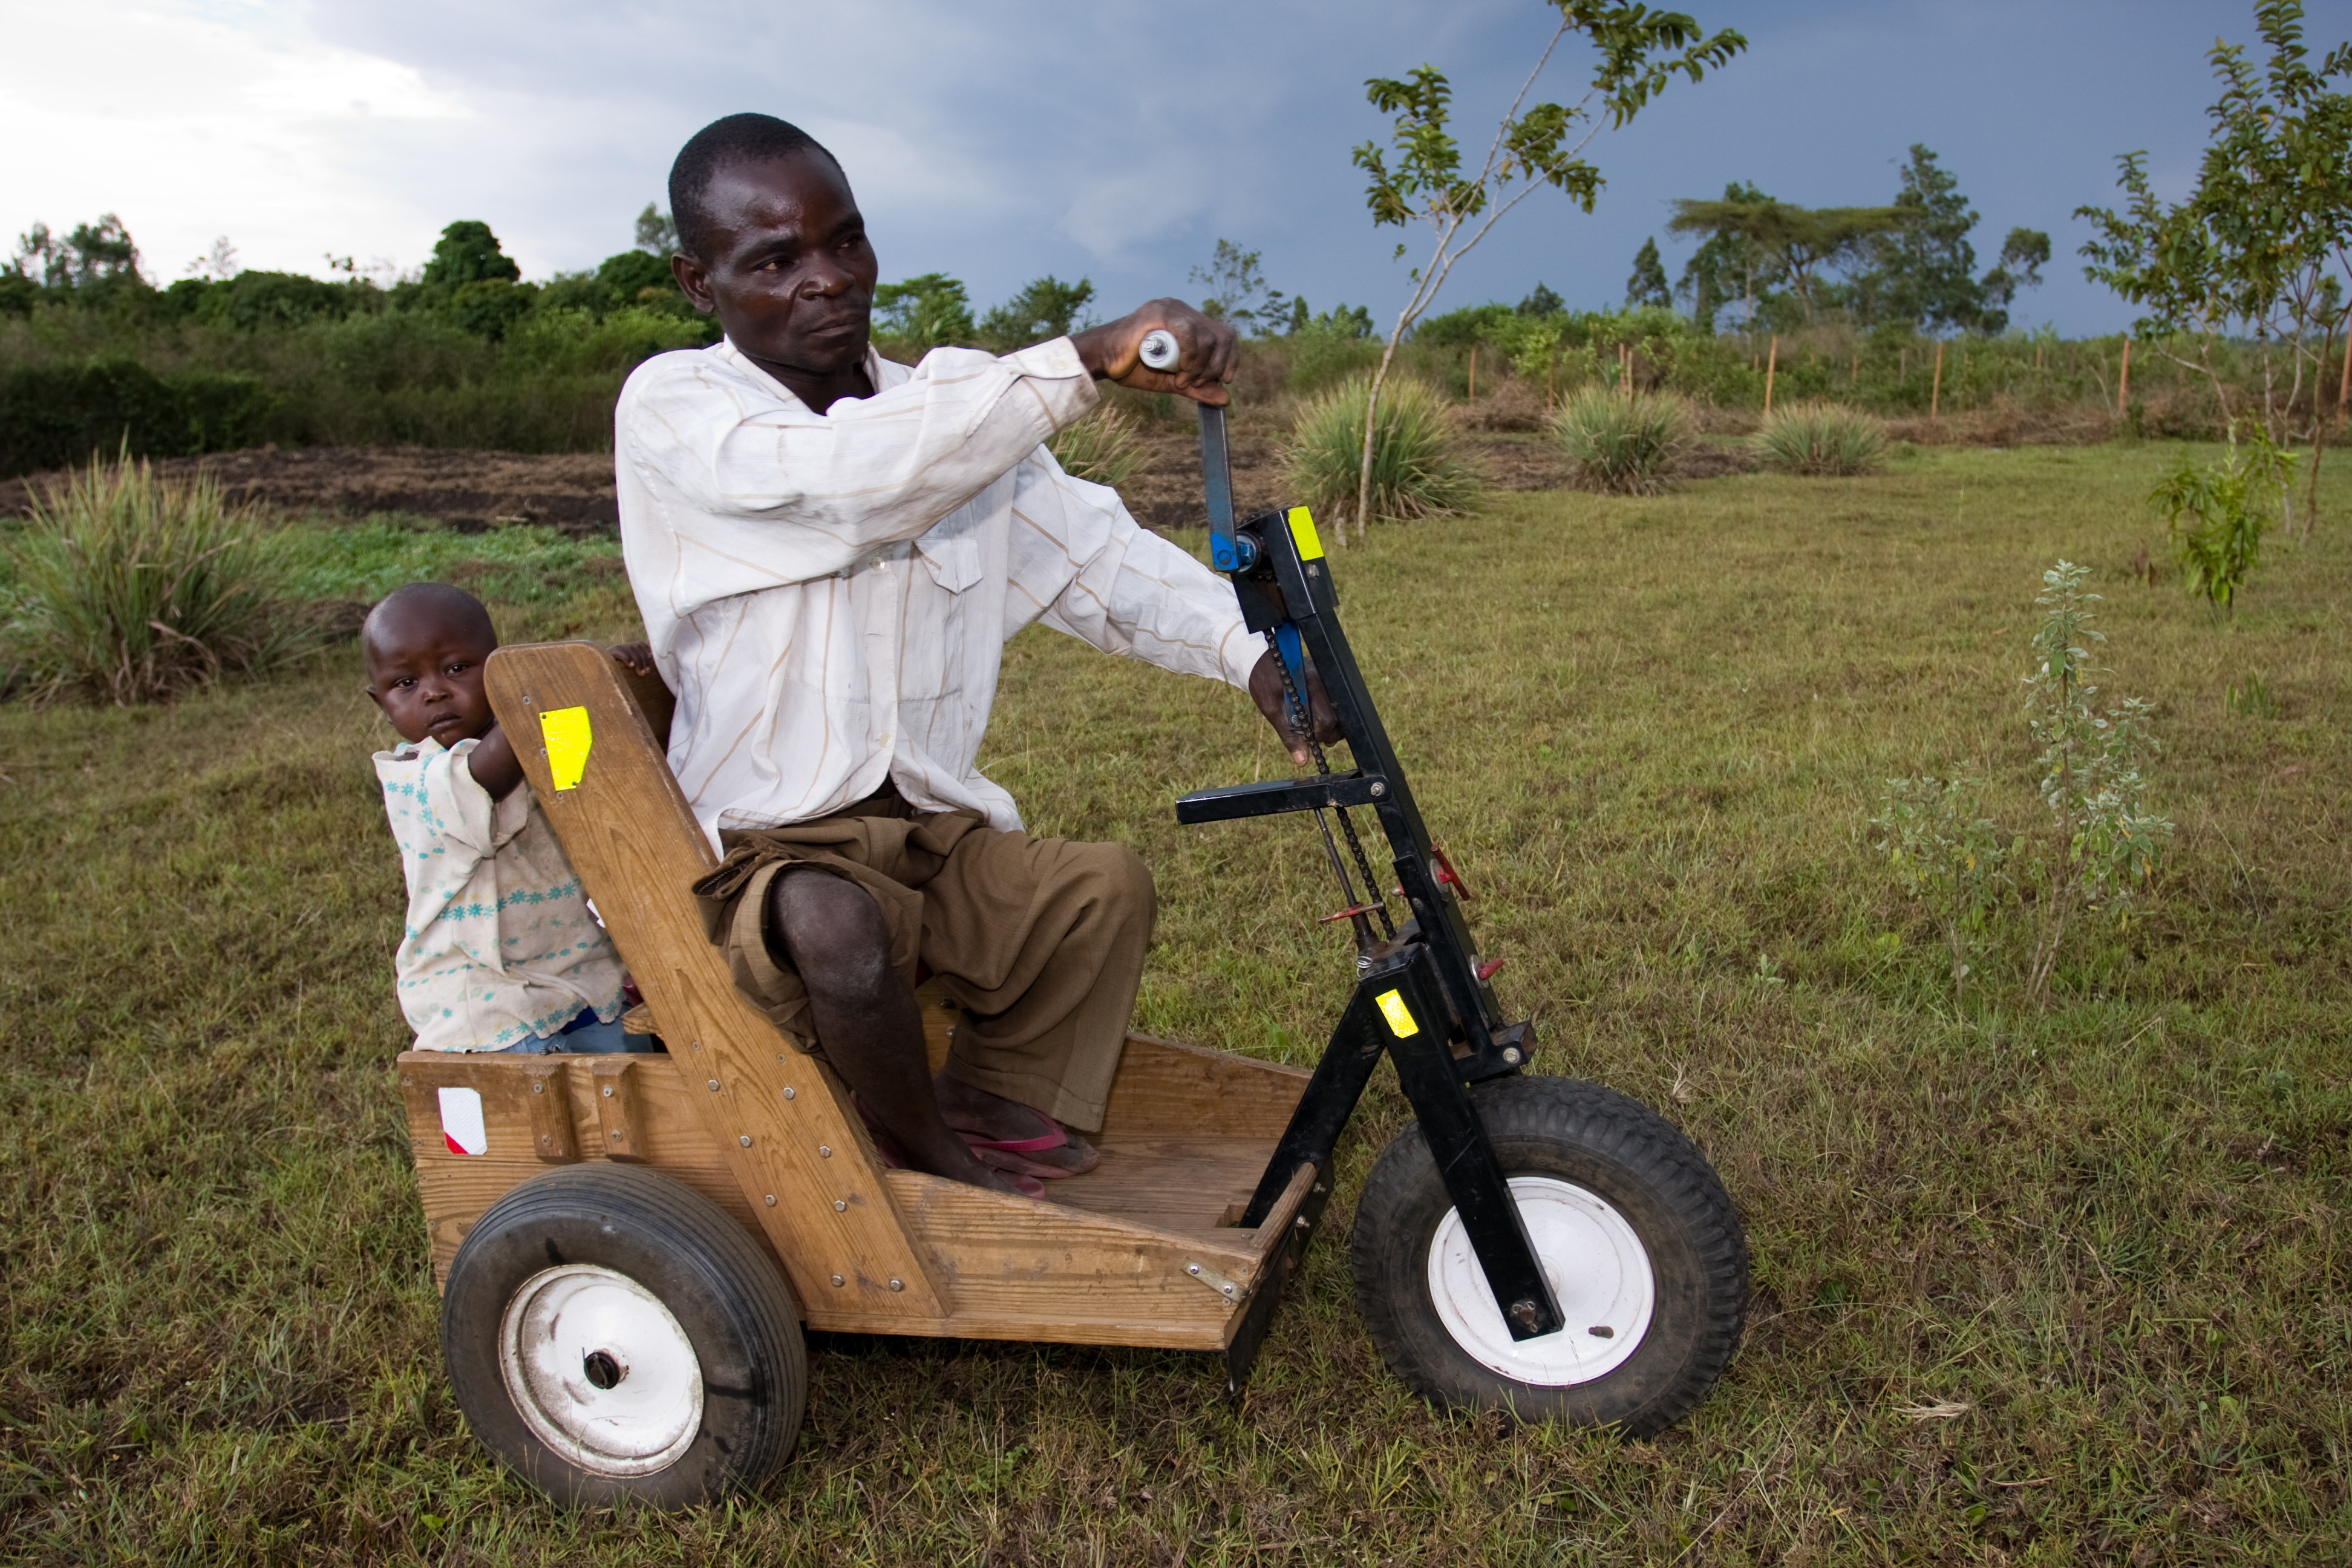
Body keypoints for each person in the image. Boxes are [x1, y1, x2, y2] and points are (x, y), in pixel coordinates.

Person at [614, 113, 1335, 1197]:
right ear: (696, 280)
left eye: (845, 242)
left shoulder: (944, 413)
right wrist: (1087, 356)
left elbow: (1100, 562)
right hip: (762, 851)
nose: (826, 279)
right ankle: (935, 1167)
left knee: (1097, 890)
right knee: (835, 922)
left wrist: (1250, 655)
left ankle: (987, 1107)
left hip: (921, 833)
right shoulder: (679, 408)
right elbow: (859, 482)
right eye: (774, 260)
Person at [366, 581, 659, 1056]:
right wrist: (551, 686)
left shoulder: (534, 735)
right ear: (380, 703)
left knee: (639, 1105)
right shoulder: (414, 779)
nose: (434, 692)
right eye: (406, 684)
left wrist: (608, 677)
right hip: (482, 1005)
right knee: (522, 1123)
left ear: (498, 668)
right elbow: (490, 776)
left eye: (457, 668)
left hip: (581, 978)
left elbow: (578, 770)